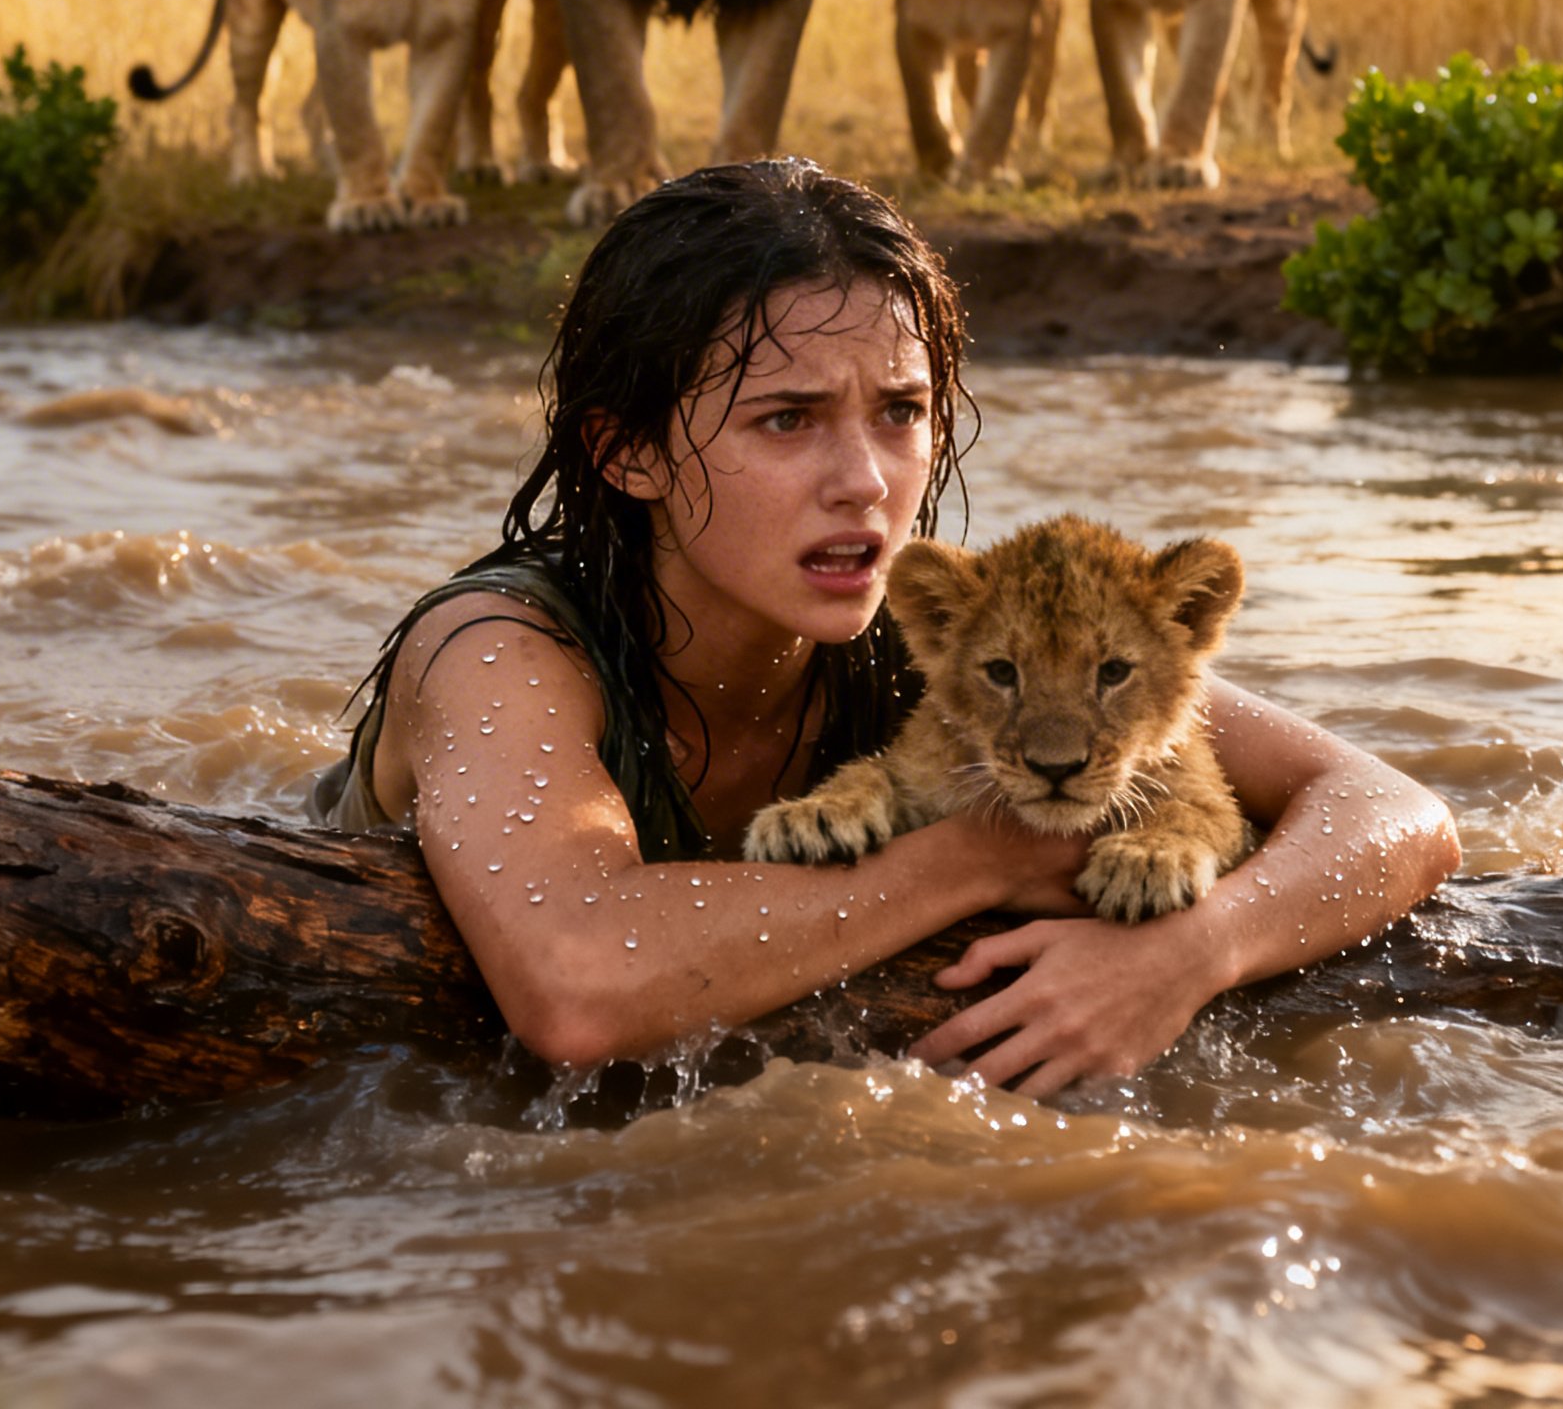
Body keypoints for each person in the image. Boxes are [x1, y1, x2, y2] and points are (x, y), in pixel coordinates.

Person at [312, 158, 1460, 1094]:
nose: (864, 481)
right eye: (787, 418)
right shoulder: (500, 651)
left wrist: (1194, 950)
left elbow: (1390, 811)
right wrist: (976, 857)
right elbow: (577, 984)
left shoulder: (961, 637)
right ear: (627, 451)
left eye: (901, 411)